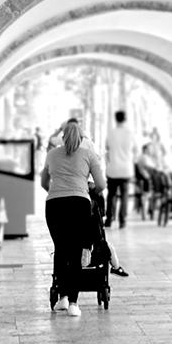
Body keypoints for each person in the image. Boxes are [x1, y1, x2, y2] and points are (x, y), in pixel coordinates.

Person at [40, 122, 106, 317]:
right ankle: (74, 304)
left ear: (63, 137)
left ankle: (62, 298)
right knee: (76, 252)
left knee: (61, 250)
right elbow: (101, 184)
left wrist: (57, 191)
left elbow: (44, 182)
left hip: (54, 206)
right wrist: (87, 188)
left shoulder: (52, 155)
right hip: (79, 205)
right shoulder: (88, 154)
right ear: (82, 137)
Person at [104, 110, 137, 228]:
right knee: (124, 195)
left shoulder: (111, 133)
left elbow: (107, 148)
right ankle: (123, 220)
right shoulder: (130, 133)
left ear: (116, 119)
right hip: (126, 169)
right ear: (125, 119)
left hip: (113, 168)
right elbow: (135, 150)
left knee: (111, 194)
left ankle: (109, 219)